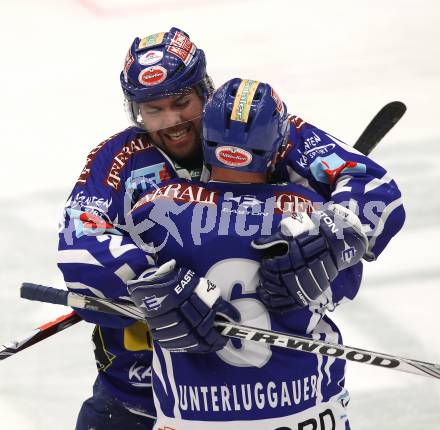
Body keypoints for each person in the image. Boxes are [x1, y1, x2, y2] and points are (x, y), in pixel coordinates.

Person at [57, 27, 405, 429]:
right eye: (153, 110)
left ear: (204, 89)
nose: (171, 122)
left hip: (263, 394)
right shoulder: (120, 159)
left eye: (181, 102)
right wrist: (149, 283)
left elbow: (375, 189)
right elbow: (78, 240)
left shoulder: (265, 130)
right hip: (135, 390)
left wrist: (332, 234)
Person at [126, 77, 401, 429]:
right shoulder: (311, 213)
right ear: (278, 144)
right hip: (307, 415)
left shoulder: (154, 210)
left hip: (192, 419)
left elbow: (119, 275)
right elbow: (344, 281)